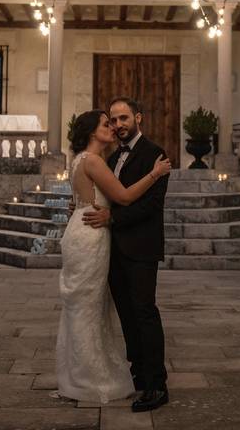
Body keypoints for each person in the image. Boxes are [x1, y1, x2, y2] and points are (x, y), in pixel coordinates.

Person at [56, 109, 172, 405]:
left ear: (138, 117)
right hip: (92, 236)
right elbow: (122, 197)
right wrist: (154, 173)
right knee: (90, 307)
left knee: (90, 306)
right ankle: (91, 377)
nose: (114, 126)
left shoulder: (84, 159)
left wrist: (88, 210)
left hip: (92, 234)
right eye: (108, 123)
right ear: (94, 132)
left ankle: (151, 382)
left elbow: (97, 200)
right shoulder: (97, 160)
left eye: (120, 119)